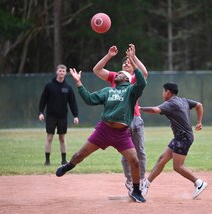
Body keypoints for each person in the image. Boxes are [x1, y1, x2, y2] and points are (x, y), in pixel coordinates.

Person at [55, 52, 147, 203]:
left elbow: (142, 81)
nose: (117, 74)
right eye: (117, 73)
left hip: (121, 134)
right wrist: (78, 83)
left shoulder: (131, 91)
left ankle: (136, 191)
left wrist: (134, 62)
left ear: (127, 79)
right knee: (79, 155)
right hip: (103, 131)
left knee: (135, 161)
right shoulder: (108, 91)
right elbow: (90, 99)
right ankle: (68, 166)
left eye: (120, 73)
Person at [92, 44, 148, 193]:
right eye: (124, 62)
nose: (126, 63)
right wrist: (109, 55)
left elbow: (144, 73)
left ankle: (141, 180)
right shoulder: (116, 77)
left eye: (128, 62)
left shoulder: (135, 78)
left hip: (135, 118)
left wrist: (133, 57)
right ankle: (130, 180)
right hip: (121, 121)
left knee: (140, 151)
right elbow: (96, 70)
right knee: (126, 153)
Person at [139, 83, 208, 199]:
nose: (162, 94)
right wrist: (199, 121)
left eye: (163, 92)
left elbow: (155, 110)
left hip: (183, 138)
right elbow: (199, 105)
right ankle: (146, 184)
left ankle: (199, 183)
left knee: (178, 166)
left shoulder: (170, 103)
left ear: (168, 92)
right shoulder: (183, 100)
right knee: (162, 159)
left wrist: (139, 108)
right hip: (180, 137)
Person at [38, 64, 79, 166]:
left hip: (62, 117)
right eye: (60, 71)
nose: (61, 73)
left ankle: (64, 160)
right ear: (57, 72)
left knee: (62, 138)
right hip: (51, 116)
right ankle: (47, 161)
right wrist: (41, 112)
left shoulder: (68, 88)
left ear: (65, 73)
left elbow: (72, 102)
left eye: (63, 71)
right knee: (49, 137)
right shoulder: (49, 86)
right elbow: (43, 100)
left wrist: (75, 115)